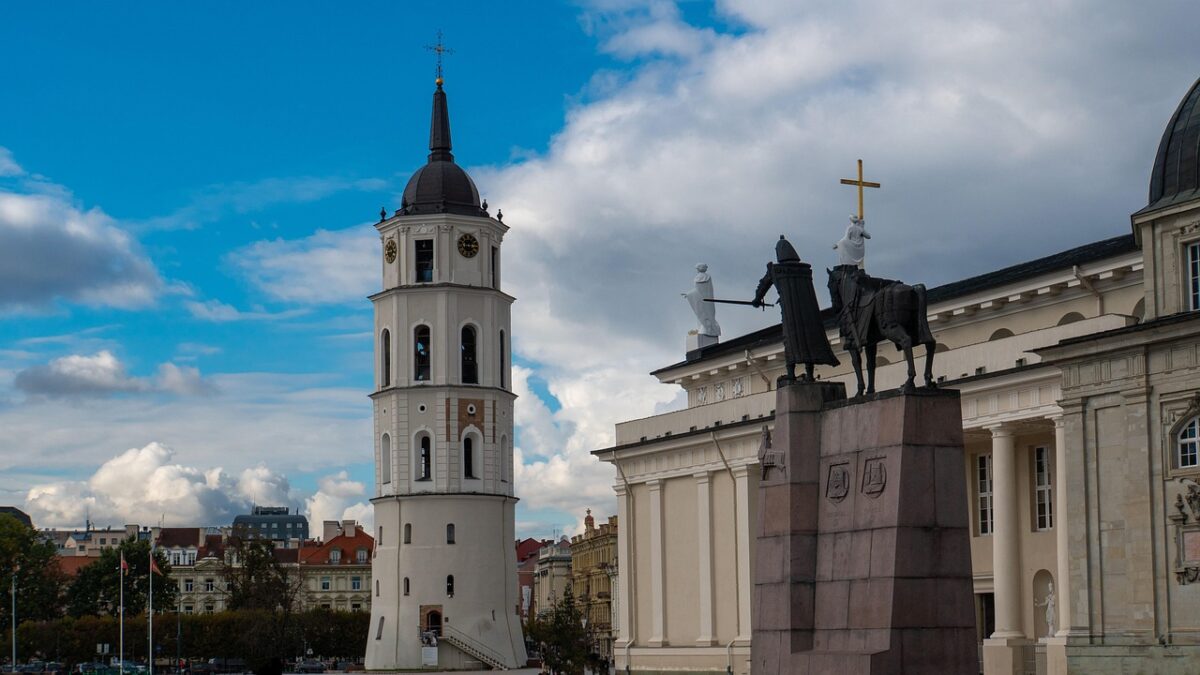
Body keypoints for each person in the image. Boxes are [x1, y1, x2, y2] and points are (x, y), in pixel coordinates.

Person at [752, 236, 839, 381]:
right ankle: (810, 374)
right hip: (809, 312)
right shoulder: (804, 270)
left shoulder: (776, 270)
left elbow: (763, 285)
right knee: (809, 339)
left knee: (790, 340)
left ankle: (791, 374)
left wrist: (756, 299)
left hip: (790, 313)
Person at [682, 263, 721, 337]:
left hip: (702, 300)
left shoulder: (698, 278)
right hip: (707, 301)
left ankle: (707, 328)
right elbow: (699, 291)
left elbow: (698, 291)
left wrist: (689, 294)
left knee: (703, 314)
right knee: (706, 314)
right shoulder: (708, 277)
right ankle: (707, 327)